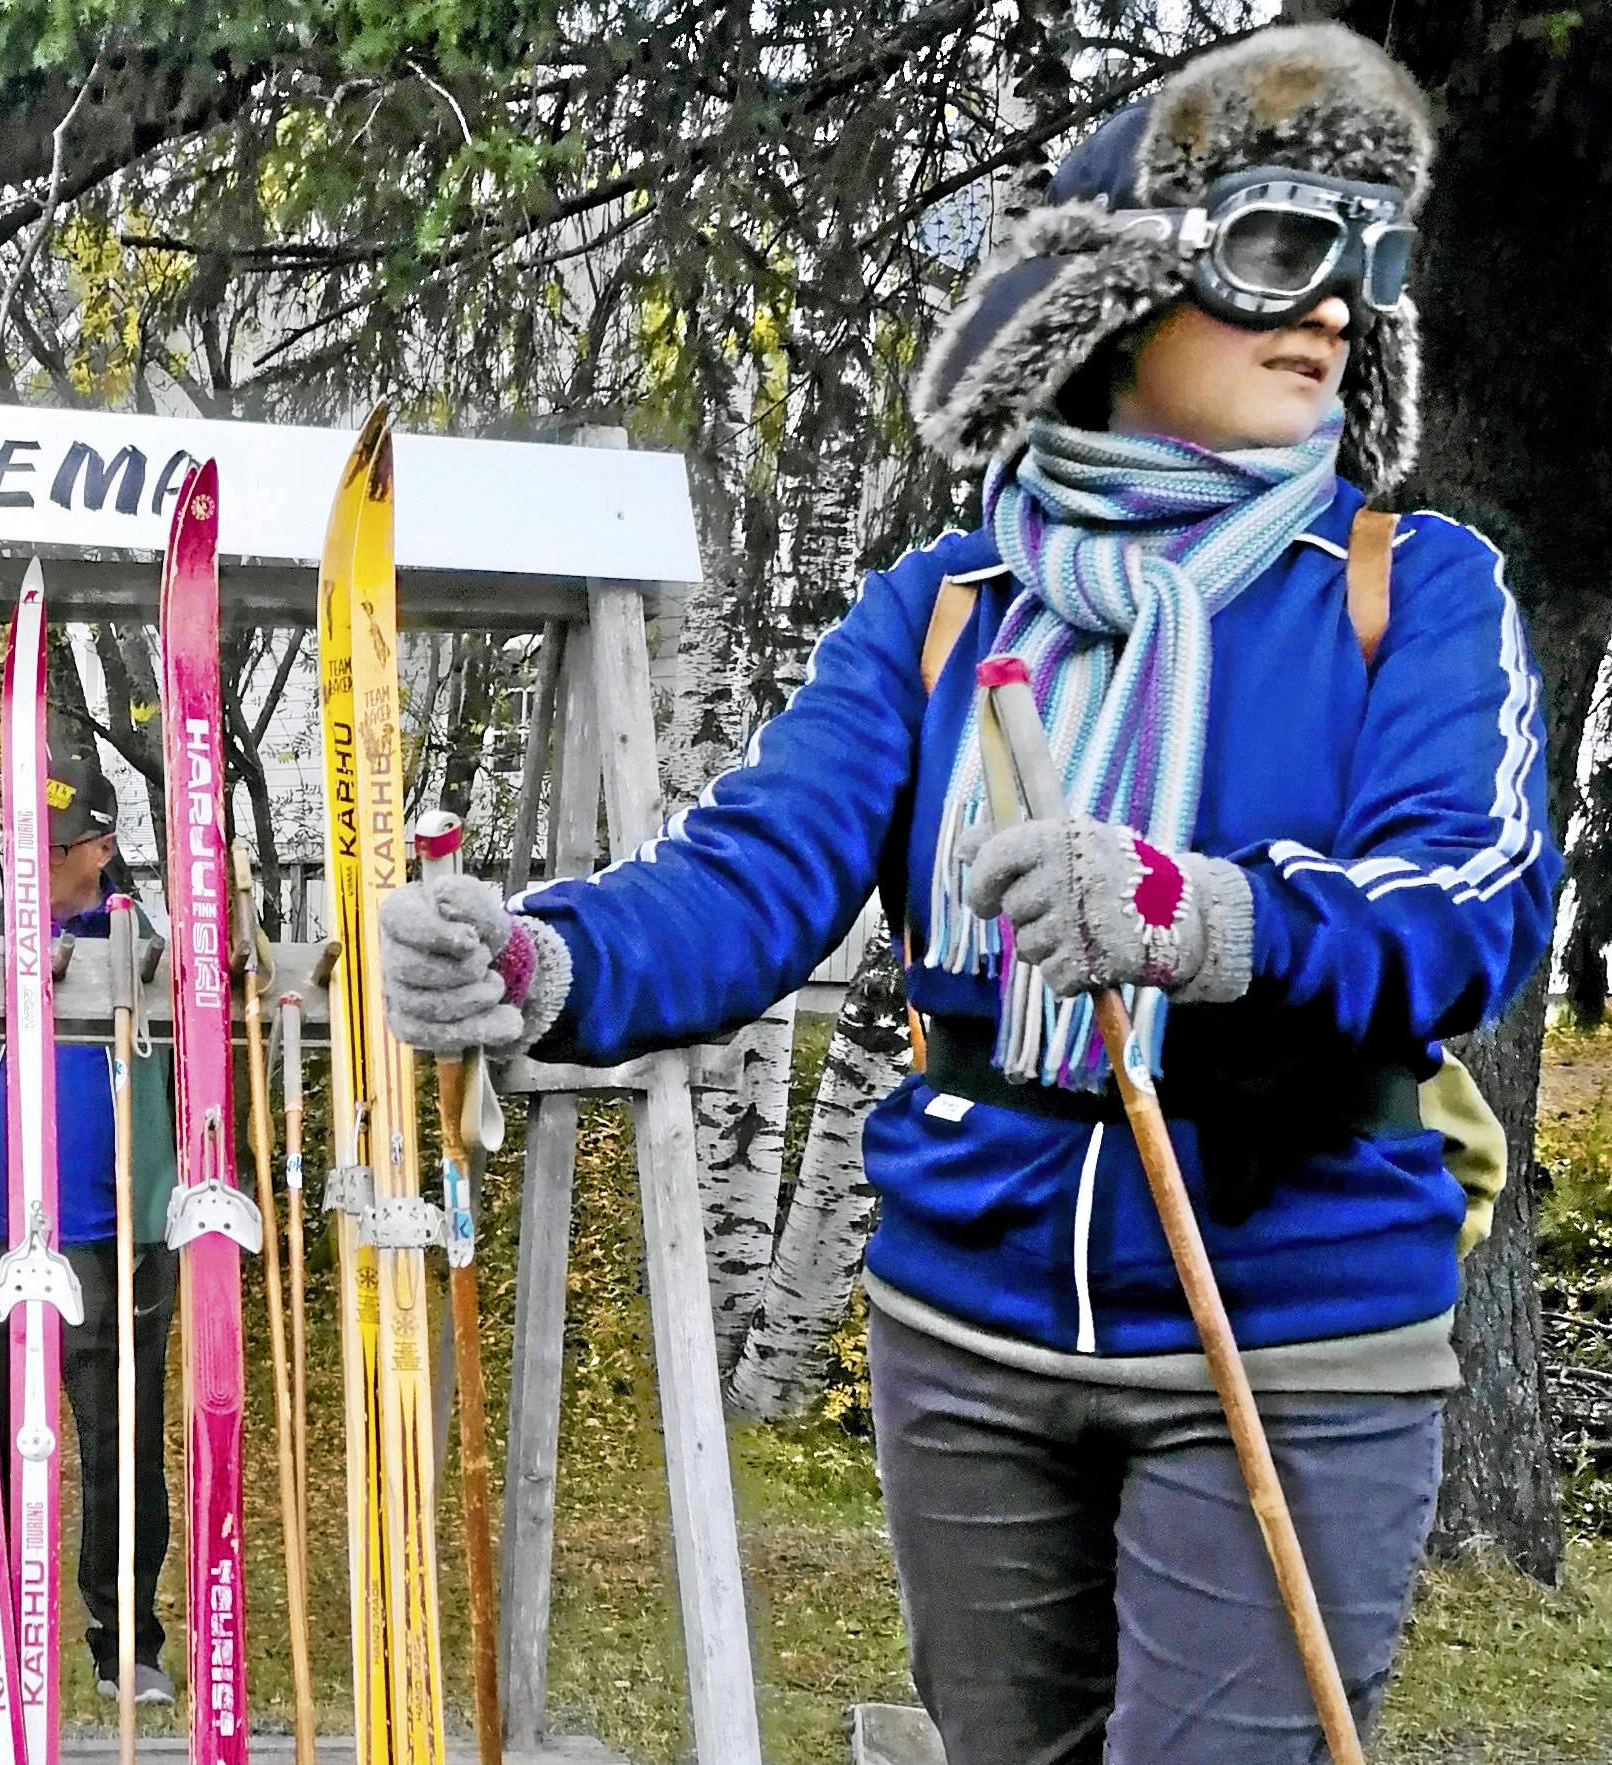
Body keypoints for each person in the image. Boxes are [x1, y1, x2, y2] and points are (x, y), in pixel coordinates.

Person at [381, 26, 1551, 1765]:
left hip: (1291, 1325)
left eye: (1364, 266)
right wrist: (542, 957)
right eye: (1278, 250)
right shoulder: (944, 608)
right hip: (969, 1315)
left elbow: (1467, 901)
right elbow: (751, 872)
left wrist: (1204, 914)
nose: (1333, 309)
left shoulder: (1411, 590)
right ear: (1114, 299)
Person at [0, 749, 181, 1703]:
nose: (29, 860)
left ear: (97, 847)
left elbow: (207, 1078)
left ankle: (125, 1640)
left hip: (113, 1243)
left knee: (119, 1453)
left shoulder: (151, 945)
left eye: (49, 846)